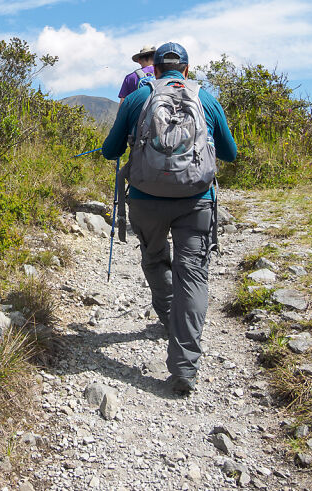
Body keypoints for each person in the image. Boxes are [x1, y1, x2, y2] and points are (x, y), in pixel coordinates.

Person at [101, 42, 237, 395]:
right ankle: (184, 368)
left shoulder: (136, 99)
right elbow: (231, 153)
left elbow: (109, 151)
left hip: (146, 199)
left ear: (155, 70)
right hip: (196, 201)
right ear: (187, 70)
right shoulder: (204, 98)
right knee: (192, 275)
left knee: (154, 258)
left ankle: (166, 314)